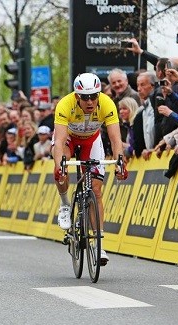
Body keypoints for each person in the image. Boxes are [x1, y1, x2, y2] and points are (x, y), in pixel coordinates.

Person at [52, 73, 128, 266]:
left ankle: (99, 243)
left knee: (96, 190)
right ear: (77, 96)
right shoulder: (65, 104)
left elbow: (115, 139)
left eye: (94, 95)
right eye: (85, 97)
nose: (90, 101)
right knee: (63, 163)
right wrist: (59, 165)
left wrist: (120, 161)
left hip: (91, 140)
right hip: (69, 139)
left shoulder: (107, 103)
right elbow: (59, 141)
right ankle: (64, 204)